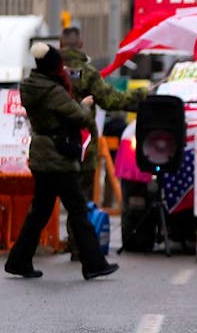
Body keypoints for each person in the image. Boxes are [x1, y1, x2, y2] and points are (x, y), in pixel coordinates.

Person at [4, 43, 119, 280]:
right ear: (53, 67)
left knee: (40, 211)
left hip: (40, 154)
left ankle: (19, 260)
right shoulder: (54, 92)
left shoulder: (29, 86)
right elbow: (79, 118)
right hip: (58, 158)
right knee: (77, 209)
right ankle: (94, 263)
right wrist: (85, 106)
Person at [60, 26, 147, 255]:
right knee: (81, 199)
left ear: (60, 45)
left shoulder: (48, 72)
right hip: (81, 144)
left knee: (44, 201)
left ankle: (28, 249)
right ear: (80, 44)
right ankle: (78, 246)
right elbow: (111, 100)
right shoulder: (87, 73)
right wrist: (140, 96)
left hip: (51, 144)